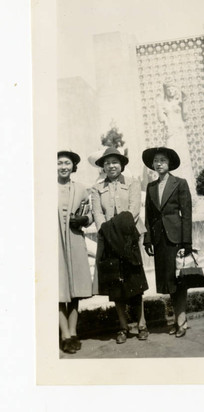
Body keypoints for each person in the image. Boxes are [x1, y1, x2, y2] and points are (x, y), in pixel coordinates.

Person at [91, 147, 149, 344]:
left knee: (135, 282)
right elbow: (98, 214)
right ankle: (123, 327)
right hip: (108, 240)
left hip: (128, 237)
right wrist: (106, 230)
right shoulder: (97, 189)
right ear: (103, 167)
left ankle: (141, 325)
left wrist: (118, 228)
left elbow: (134, 209)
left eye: (114, 162)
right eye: (107, 163)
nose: (111, 166)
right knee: (115, 285)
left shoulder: (132, 183)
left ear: (121, 164)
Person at [142, 146, 192, 338]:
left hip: (176, 238)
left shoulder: (180, 183)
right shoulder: (151, 187)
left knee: (179, 280)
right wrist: (148, 239)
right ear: (153, 165)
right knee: (169, 281)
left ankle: (182, 320)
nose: (159, 163)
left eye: (163, 160)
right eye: (156, 161)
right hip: (160, 239)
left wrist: (186, 241)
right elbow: (148, 214)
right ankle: (178, 320)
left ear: (169, 163)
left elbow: (187, 214)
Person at [58, 150, 93, 354]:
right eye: (60, 163)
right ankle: (64, 335)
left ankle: (73, 333)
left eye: (67, 163)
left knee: (75, 290)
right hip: (54, 243)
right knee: (59, 289)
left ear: (73, 167)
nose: (63, 166)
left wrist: (84, 220)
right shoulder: (45, 188)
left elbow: (89, 213)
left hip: (74, 239)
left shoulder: (80, 189)